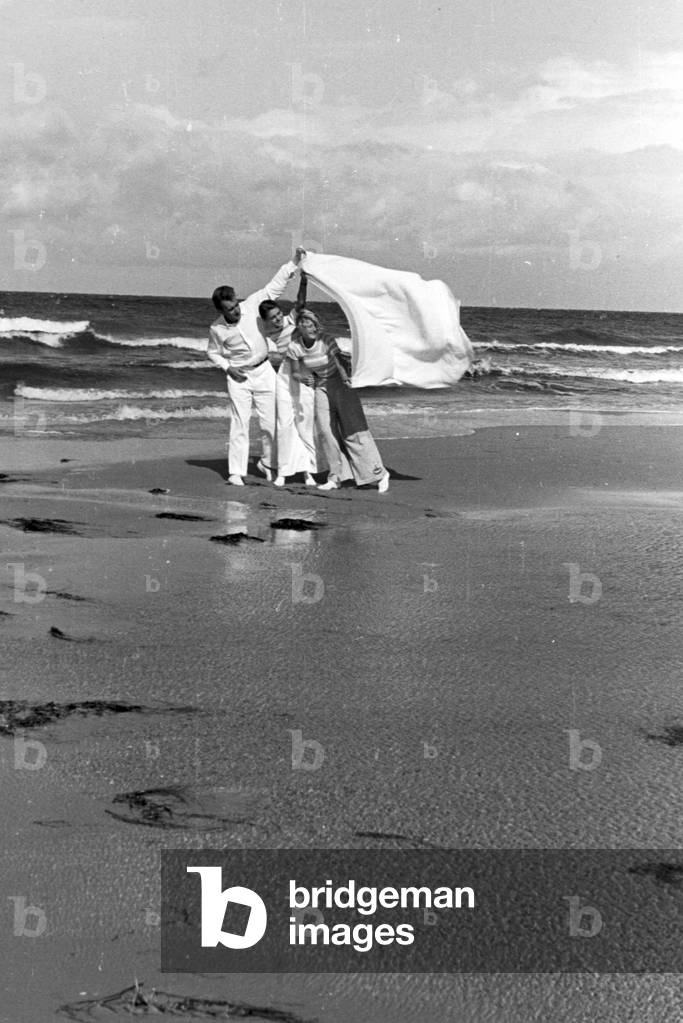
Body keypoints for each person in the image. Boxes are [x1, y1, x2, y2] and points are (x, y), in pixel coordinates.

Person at [207, 248, 305, 486]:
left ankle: (268, 462)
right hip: (239, 377)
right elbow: (212, 352)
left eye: (236, 305)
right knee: (240, 424)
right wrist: (227, 368)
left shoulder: (252, 305)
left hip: (263, 371)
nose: (237, 310)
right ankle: (236, 472)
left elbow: (276, 285)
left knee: (271, 422)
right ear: (220, 311)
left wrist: (294, 261)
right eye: (230, 309)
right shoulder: (216, 329)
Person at [286, 308, 390, 493]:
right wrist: (302, 377)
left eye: (313, 325)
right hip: (321, 386)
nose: (311, 329)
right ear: (299, 328)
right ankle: (336, 477)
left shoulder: (325, 339)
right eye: (306, 326)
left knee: (354, 430)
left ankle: (379, 473)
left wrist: (346, 378)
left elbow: (339, 359)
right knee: (326, 431)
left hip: (340, 383)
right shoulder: (295, 346)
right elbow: (294, 371)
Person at [257, 271, 319, 487]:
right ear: (265, 320)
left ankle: (307, 471)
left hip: (303, 371)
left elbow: (301, 303)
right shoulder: (263, 333)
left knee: (304, 422)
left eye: (278, 315)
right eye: (272, 318)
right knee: (284, 423)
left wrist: (303, 280)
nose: (277, 320)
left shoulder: (290, 320)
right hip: (283, 376)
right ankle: (283, 470)